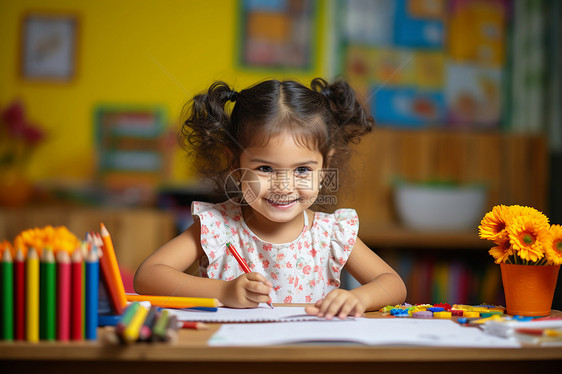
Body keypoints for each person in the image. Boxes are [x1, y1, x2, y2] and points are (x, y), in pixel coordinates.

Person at [134, 78, 407, 319]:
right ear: (234, 162)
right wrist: (224, 291)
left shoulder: (331, 233)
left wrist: (358, 298)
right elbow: (148, 276)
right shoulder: (218, 227)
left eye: (302, 169)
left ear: (324, 167)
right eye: (265, 168)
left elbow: (394, 286)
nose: (284, 186)